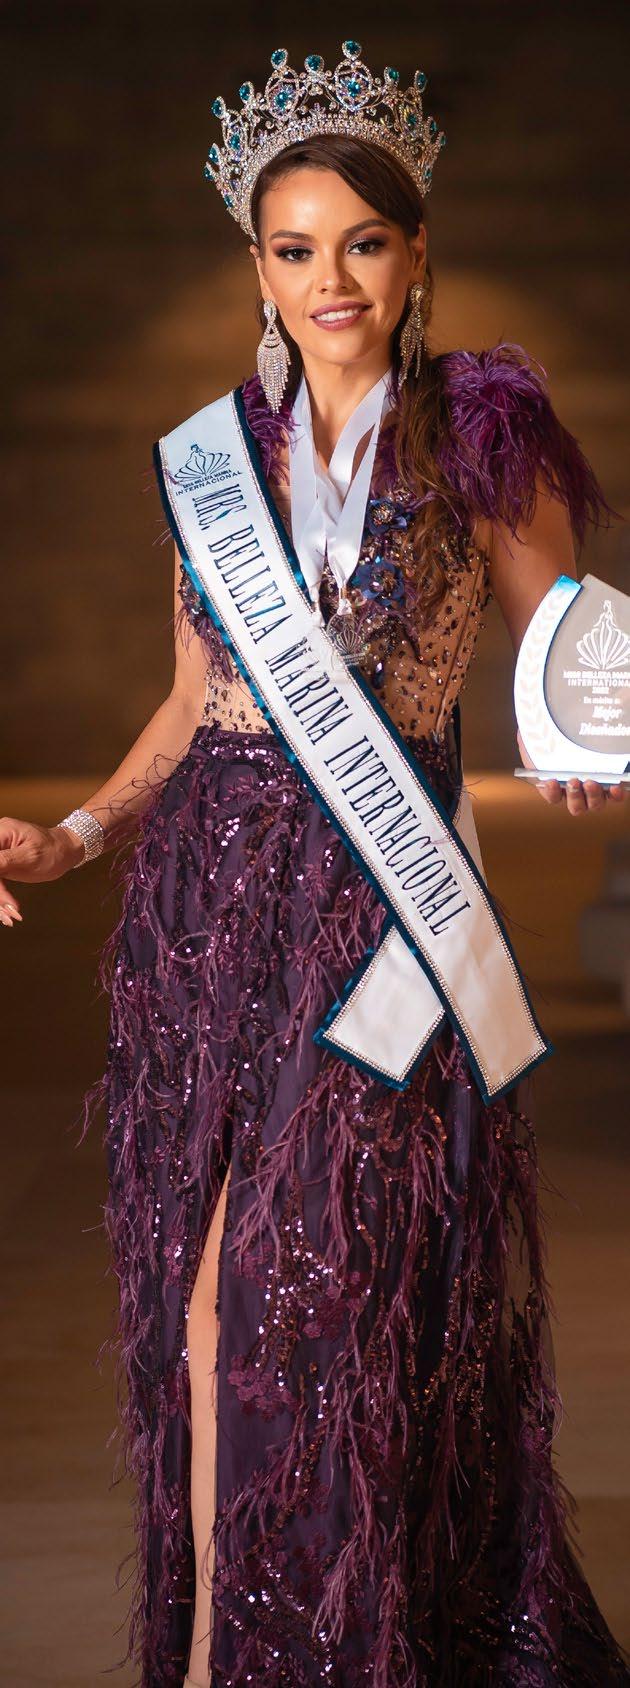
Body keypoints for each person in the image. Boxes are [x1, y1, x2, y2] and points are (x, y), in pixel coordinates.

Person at [1, 38, 629, 1688]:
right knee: (203, 1305)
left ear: (414, 253)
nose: (328, 278)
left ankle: (348, 1631)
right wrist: (76, 833)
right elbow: (193, 697)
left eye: (361, 241)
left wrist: (586, 725)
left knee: (310, 1279)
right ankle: (231, 1653)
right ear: (257, 268)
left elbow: (563, 639)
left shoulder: (480, 430)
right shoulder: (210, 456)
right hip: (210, 906)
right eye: (293, 249)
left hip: (383, 906)